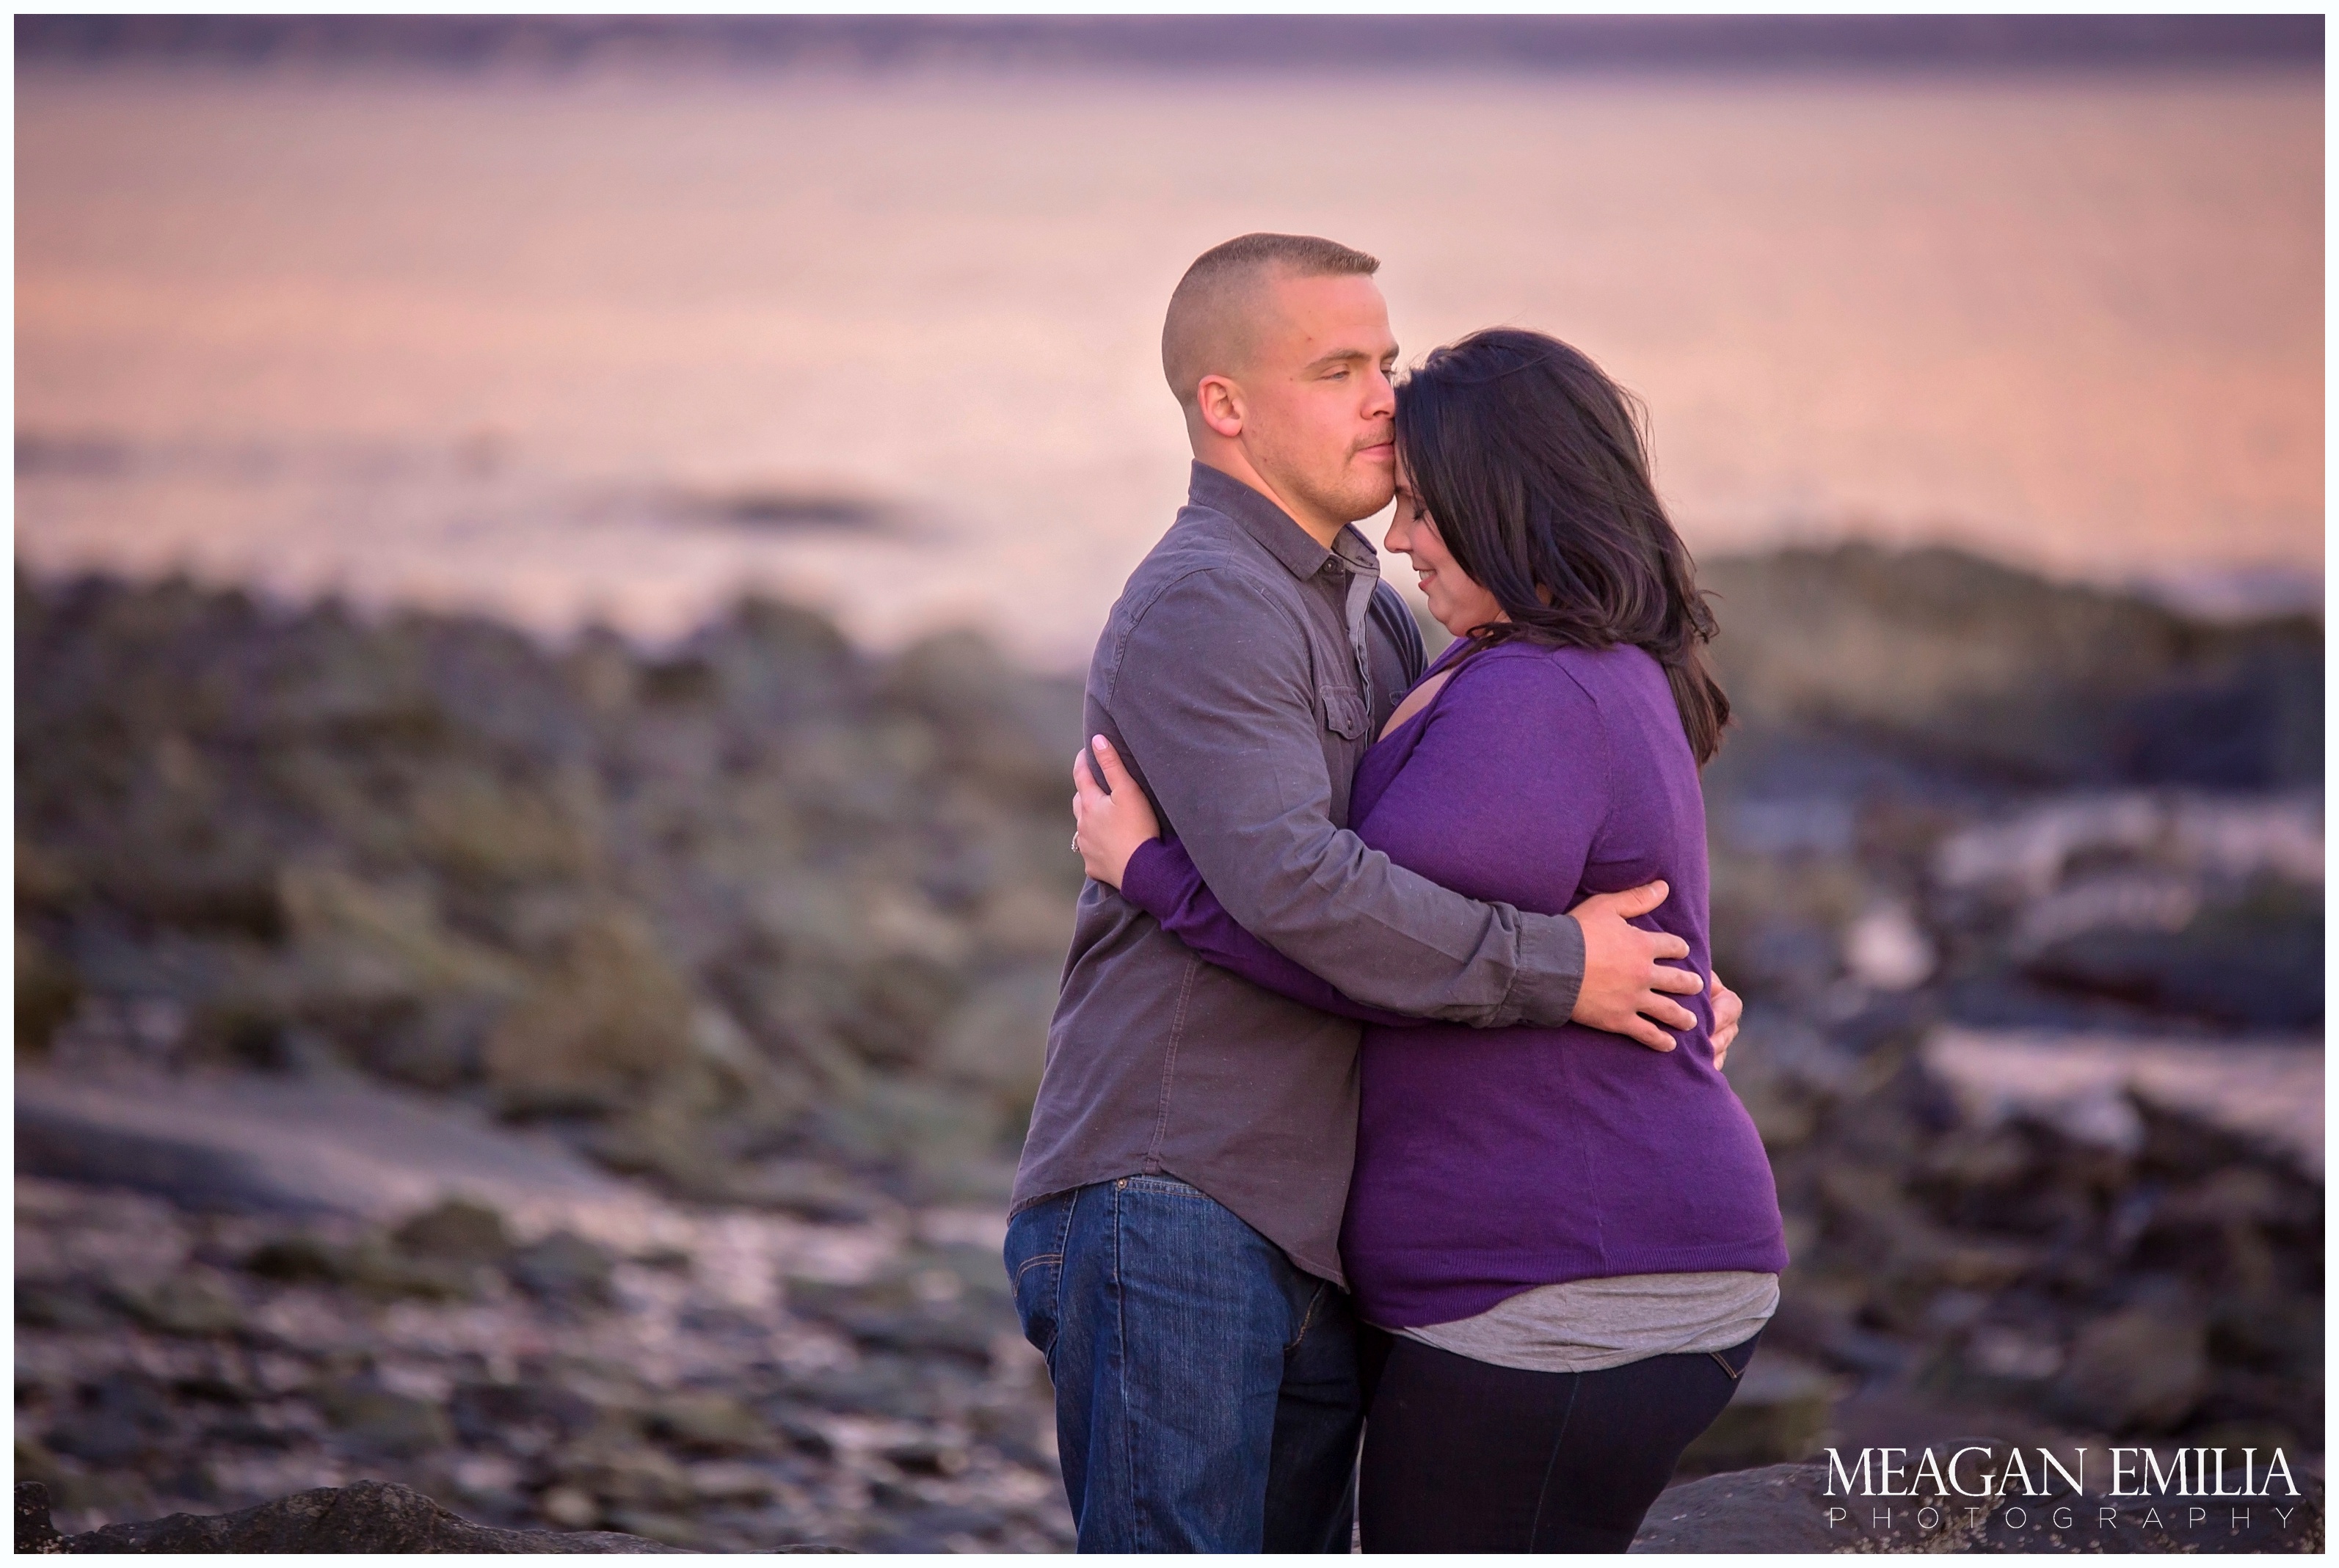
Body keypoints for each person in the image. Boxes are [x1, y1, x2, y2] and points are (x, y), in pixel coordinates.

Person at [1005, 233, 1740, 1553]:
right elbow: (1306, 887)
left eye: (1387, 362)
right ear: (1224, 406)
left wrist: (1672, 965)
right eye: (1338, 368)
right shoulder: (1207, 599)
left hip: (1314, 1227)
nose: (1386, 400)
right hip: (1174, 1187)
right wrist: (1561, 970)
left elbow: (1500, 834)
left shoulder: (1385, 615)